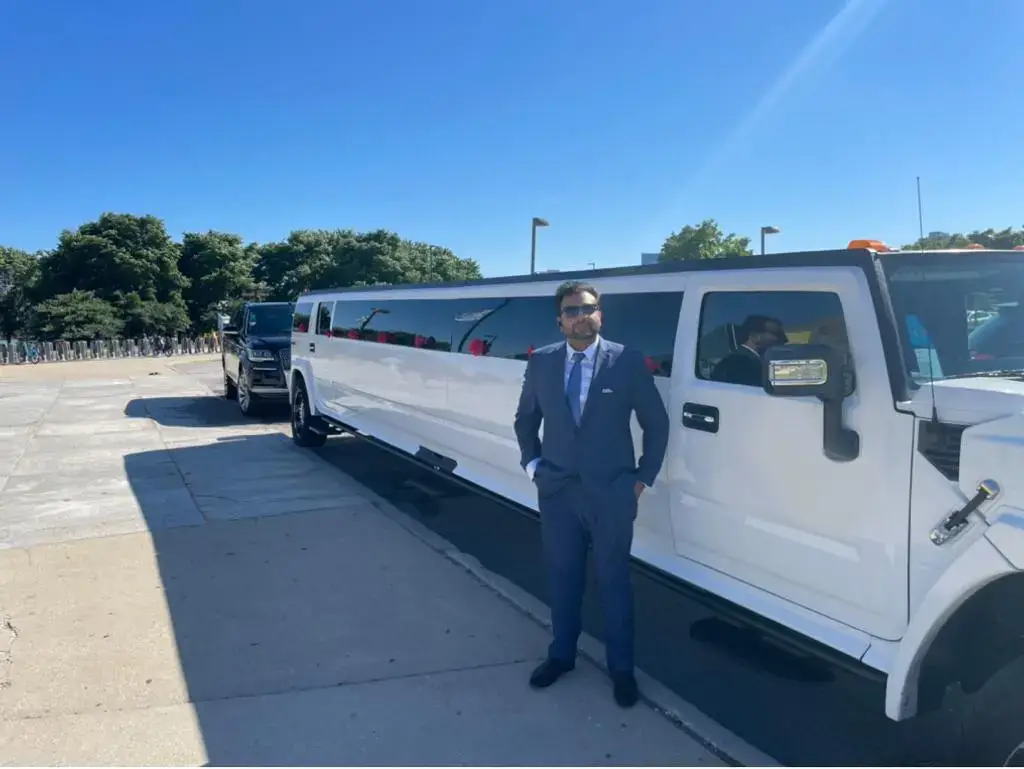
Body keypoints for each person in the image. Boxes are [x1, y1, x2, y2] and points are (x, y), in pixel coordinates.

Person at [513, 280, 669, 707]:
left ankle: (622, 670)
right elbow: (526, 420)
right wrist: (533, 466)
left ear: (601, 313)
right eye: (571, 310)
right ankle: (561, 655)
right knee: (563, 579)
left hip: (612, 493)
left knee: (614, 581)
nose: (580, 316)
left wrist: (642, 479)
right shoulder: (541, 362)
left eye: (588, 308)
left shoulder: (627, 361)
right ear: (559, 320)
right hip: (558, 492)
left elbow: (656, 424)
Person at [709, 314, 787, 387]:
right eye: (776, 334)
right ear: (755, 337)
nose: (783, 340)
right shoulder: (739, 363)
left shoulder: (750, 360)